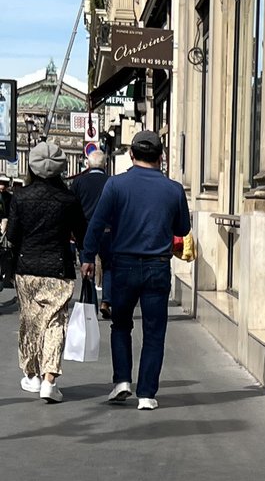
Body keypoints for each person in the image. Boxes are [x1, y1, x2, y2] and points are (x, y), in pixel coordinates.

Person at [81, 130, 190, 410]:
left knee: (121, 325)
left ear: (131, 154)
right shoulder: (174, 189)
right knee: (154, 331)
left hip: (123, 265)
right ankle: (147, 394)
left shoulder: (116, 185)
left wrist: (88, 256)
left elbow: (97, 223)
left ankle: (121, 381)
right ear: (161, 156)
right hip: (158, 266)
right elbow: (182, 228)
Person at [7, 141, 86, 403]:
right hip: (59, 268)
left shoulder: (20, 197)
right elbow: (82, 234)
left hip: (27, 268)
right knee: (55, 323)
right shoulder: (69, 199)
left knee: (30, 321)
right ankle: (49, 380)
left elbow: (13, 235)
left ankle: (31, 375)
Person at [71, 151, 112, 318]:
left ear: (87, 164)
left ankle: (92, 305)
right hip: (107, 230)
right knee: (108, 266)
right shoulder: (111, 182)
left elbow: (73, 208)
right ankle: (106, 301)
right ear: (105, 165)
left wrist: (73, 231)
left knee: (87, 267)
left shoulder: (79, 182)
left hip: (84, 230)